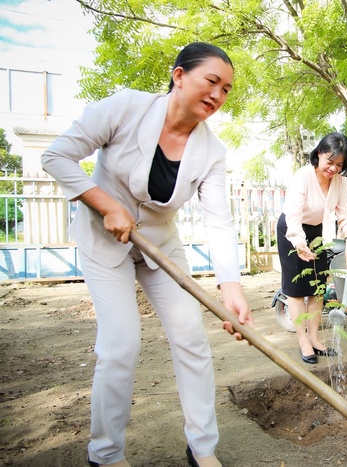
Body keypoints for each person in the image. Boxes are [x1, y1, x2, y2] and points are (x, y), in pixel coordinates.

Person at [41, 42, 253, 467]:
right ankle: (105, 455)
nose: (218, 95)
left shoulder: (213, 153)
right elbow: (56, 156)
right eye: (211, 81)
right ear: (179, 75)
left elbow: (219, 221)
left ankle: (202, 449)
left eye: (227, 89)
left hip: (160, 245)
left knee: (192, 339)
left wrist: (230, 287)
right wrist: (105, 203)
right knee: (120, 344)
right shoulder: (125, 108)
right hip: (104, 241)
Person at [277, 132, 347, 364]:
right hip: (291, 231)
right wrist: (299, 243)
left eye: (339, 165)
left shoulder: (340, 182)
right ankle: (303, 340)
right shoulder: (303, 176)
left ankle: (314, 338)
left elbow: (345, 213)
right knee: (296, 289)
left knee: (318, 285)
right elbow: (293, 214)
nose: (333, 169)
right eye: (330, 162)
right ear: (319, 154)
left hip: (319, 232)